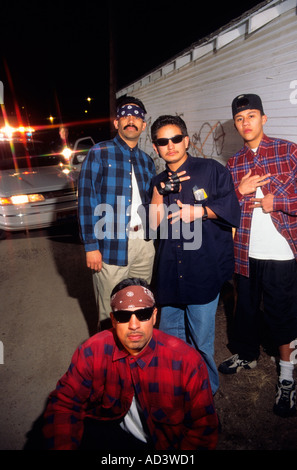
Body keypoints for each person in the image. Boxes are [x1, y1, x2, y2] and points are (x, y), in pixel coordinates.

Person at [42, 278, 218, 450]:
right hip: (110, 431)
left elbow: (203, 430)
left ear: (154, 316)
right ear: (113, 320)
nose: (134, 325)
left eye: (143, 314)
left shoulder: (186, 362)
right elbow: (64, 404)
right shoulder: (92, 351)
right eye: (123, 316)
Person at [148, 115, 241, 395]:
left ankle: (205, 397)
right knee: (169, 342)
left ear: (186, 140)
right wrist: (158, 191)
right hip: (169, 276)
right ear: (156, 148)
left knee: (201, 343)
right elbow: (153, 225)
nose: (171, 145)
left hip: (202, 274)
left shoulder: (211, 170)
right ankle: (178, 394)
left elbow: (232, 209)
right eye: (163, 142)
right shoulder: (157, 181)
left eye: (176, 138)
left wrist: (199, 211)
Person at [218, 93, 297, 418]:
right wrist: (240, 191)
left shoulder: (288, 151)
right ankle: (247, 355)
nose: (245, 123)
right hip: (245, 251)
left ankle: (288, 377)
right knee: (245, 309)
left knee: (281, 314)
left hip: (281, 252)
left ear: (263, 118)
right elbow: (225, 209)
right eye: (239, 118)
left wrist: (276, 202)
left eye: (251, 116)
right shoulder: (234, 163)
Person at [78, 96, 156, 330]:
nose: (131, 120)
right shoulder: (99, 152)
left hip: (143, 244)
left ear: (143, 125)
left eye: (137, 117)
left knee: (141, 307)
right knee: (111, 311)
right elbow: (86, 199)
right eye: (125, 115)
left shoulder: (147, 161)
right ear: (116, 123)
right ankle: (109, 364)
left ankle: (135, 361)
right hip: (110, 245)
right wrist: (91, 246)